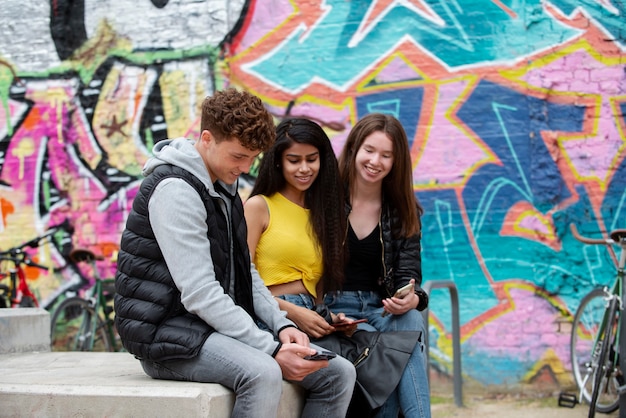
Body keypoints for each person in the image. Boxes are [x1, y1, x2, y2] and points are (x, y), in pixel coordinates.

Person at [114, 89, 356, 418]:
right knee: (263, 372)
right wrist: (271, 348)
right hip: (166, 333)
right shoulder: (176, 191)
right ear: (207, 138)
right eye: (238, 156)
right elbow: (200, 292)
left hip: (210, 328)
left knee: (338, 373)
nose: (245, 167)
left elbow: (246, 270)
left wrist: (282, 326)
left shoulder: (223, 188)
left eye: (252, 158)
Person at [323, 112, 431, 418]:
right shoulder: (326, 200)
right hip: (335, 307)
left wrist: (411, 297)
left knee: (409, 322)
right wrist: (325, 313)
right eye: (369, 150)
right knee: (392, 356)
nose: (375, 161)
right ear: (355, 148)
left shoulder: (402, 209)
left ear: (397, 162)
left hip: (379, 308)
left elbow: (410, 275)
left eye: (387, 155)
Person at [244, 117, 351, 339]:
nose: (304, 168)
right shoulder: (259, 207)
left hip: (311, 315)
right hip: (272, 316)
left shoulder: (322, 214)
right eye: (294, 160)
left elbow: (315, 292)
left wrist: (330, 319)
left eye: (311, 159)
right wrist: (293, 312)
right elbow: (241, 281)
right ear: (278, 162)